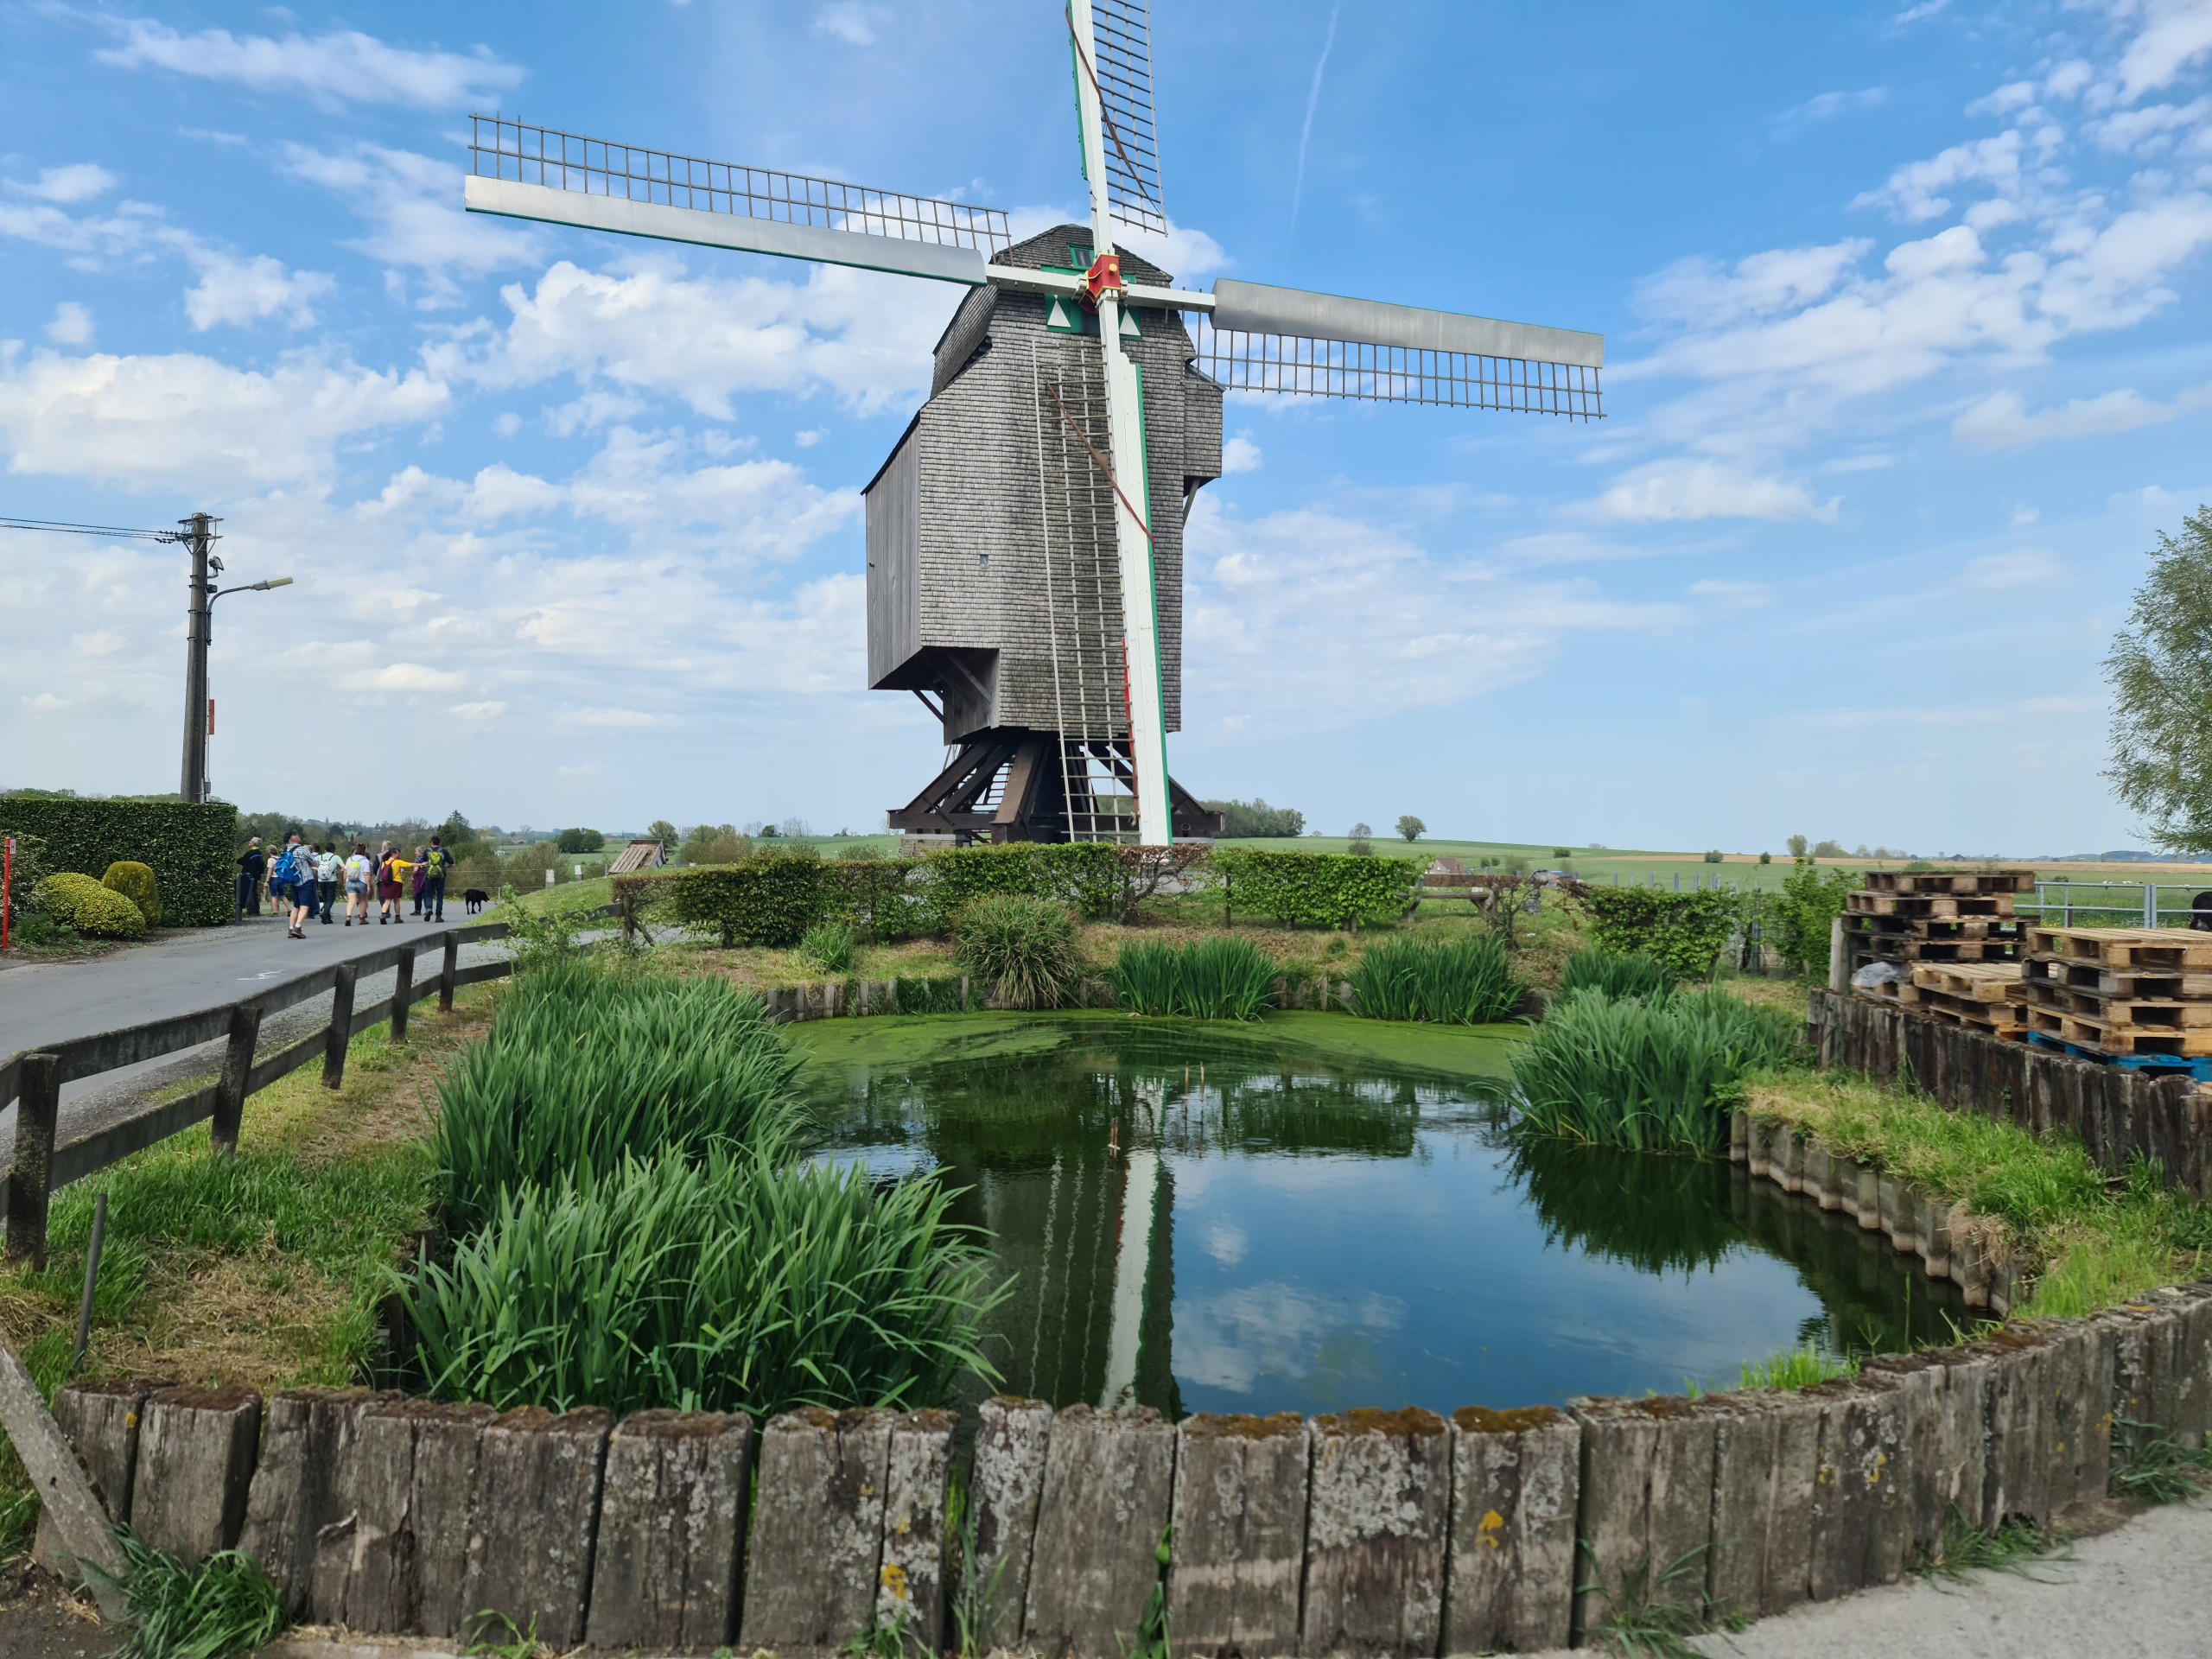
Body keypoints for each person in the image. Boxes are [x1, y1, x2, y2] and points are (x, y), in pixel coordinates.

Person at [283, 833, 315, 939]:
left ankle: (290, 928)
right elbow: (314, 862)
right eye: (296, 835)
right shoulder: (302, 849)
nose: (298, 836)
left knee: (296, 906)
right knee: (304, 905)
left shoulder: (285, 851)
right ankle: (298, 928)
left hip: (293, 881)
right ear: (293, 838)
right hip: (305, 880)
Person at [235, 837, 265, 921]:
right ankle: (257, 910)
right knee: (254, 892)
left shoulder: (251, 853)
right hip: (256, 875)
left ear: (253, 844)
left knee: (249, 892)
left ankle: (251, 911)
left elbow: (240, 861)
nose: (249, 842)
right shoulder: (259, 853)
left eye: (251, 841)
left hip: (248, 875)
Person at [342, 841, 372, 925]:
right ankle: (362, 919)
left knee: (351, 900)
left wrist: (344, 881)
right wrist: (368, 885)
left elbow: (345, 872)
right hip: (361, 882)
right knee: (363, 901)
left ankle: (348, 917)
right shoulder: (365, 860)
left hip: (350, 881)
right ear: (364, 850)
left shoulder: (350, 859)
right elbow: (366, 874)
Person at [422, 836, 451, 922]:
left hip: (430, 876)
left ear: (431, 842)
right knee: (440, 896)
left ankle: (429, 909)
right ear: (439, 843)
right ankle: (438, 916)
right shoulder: (443, 851)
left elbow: (423, 863)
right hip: (441, 876)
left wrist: (426, 868)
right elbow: (452, 863)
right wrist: (444, 867)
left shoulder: (427, 851)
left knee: (428, 894)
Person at [379, 844, 410, 924]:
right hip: (396, 882)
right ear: (394, 854)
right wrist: (420, 864)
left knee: (387, 900)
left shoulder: (384, 863)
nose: (398, 855)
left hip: (387, 883)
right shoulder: (397, 862)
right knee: (396, 901)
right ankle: (397, 917)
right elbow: (409, 864)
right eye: (397, 854)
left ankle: (383, 915)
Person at [315, 842, 342, 925]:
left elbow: (312, 865)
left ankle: (328, 918)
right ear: (334, 850)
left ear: (325, 849)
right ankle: (325, 913)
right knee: (331, 899)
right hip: (331, 880)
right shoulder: (336, 857)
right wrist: (337, 872)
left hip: (321, 881)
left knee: (325, 898)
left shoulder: (319, 857)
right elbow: (344, 867)